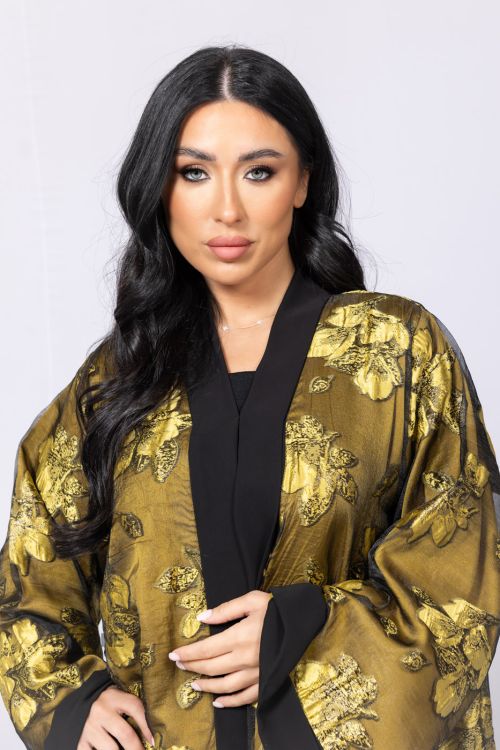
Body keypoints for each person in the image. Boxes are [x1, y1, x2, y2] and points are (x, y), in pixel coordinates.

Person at [0, 43, 499, 750]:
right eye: (194, 173)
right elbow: (29, 582)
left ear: (302, 182)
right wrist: (76, 703)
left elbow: (461, 577)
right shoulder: (117, 380)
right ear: (160, 188)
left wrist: (305, 628)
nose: (226, 209)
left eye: (259, 171)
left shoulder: (397, 350)